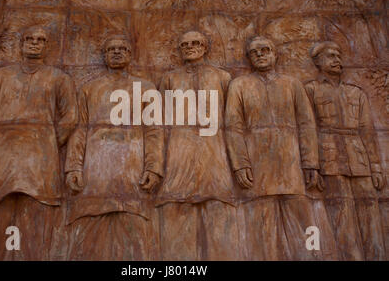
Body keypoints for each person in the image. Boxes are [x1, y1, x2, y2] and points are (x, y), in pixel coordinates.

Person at [0, 26, 78, 260]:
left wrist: (45, 143)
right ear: (21, 43)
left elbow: (70, 118)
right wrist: (0, 141)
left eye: (40, 40)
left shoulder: (59, 78)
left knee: (38, 216)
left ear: (47, 46)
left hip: (40, 162)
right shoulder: (0, 76)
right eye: (29, 39)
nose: (34, 43)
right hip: (0, 160)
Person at [225, 36, 338, 260]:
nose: (260, 54)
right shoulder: (239, 85)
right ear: (248, 58)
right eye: (254, 52)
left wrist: (311, 163)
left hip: (291, 165)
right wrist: (240, 164)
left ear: (275, 54)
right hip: (258, 166)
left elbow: (306, 124)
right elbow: (232, 127)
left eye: (265, 49)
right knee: (263, 229)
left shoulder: (292, 84)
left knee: (304, 223)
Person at [65, 35, 164, 260]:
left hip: (132, 167)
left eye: (122, 49)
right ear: (105, 55)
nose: (117, 52)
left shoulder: (146, 88)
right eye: (111, 49)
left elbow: (154, 130)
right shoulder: (89, 89)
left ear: (130, 55)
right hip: (95, 170)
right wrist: (73, 167)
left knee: (133, 227)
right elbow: (79, 129)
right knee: (91, 227)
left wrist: (153, 168)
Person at [156, 31, 240, 260]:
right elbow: (160, 122)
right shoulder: (169, 79)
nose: (190, 47)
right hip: (179, 152)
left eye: (195, 43)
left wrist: (238, 163)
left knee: (217, 206)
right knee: (177, 206)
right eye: (185, 44)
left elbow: (233, 121)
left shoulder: (223, 78)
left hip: (215, 153)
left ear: (205, 47)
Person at [305, 41, 386, 260]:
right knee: (342, 217)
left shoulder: (356, 93)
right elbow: (307, 128)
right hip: (330, 160)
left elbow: (367, 132)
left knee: (371, 213)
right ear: (318, 62)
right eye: (330, 56)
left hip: (359, 161)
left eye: (338, 55)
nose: (336, 59)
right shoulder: (310, 90)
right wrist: (312, 164)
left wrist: (376, 167)